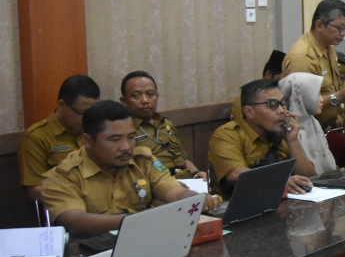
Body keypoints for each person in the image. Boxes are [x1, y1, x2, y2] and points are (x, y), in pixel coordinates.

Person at [41, 101, 218, 236]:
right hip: (93, 252)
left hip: (146, 238)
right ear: (87, 140)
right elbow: (75, 222)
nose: (126, 147)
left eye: (131, 137)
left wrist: (195, 200)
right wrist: (137, 221)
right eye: (115, 139)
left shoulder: (142, 159)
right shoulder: (62, 177)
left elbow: (174, 192)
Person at [208, 79, 317, 197]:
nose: (282, 111)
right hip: (235, 207)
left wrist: (292, 140)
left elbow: (309, 177)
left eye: (282, 103)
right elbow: (235, 175)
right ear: (249, 111)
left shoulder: (279, 132)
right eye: (273, 105)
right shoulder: (228, 134)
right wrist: (279, 181)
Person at [18, 75, 101, 203]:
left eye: (93, 113)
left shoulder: (94, 129)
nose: (88, 119)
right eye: (82, 113)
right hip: (65, 206)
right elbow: (34, 190)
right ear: (62, 105)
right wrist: (78, 196)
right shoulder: (37, 137)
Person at [283, 0, 345, 128]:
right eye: (339, 28)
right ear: (319, 25)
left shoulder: (328, 47)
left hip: (325, 127)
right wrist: (338, 97)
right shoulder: (303, 57)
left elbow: (327, 89)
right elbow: (301, 105)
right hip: (303, 130)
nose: (344, 34)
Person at [118, 71, 206, 180]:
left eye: (150, 94)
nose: (145, 100)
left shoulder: (166, 124)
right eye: (136, 96)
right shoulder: (125, 132)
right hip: (157, 186)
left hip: (186, 180)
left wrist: (196, 172)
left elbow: (183, 160)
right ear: (124, 101)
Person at [277, 72, 337, 173]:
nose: (322, 99)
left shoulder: (313, 122)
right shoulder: (287, 126)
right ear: (301, 96)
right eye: (316, 94)